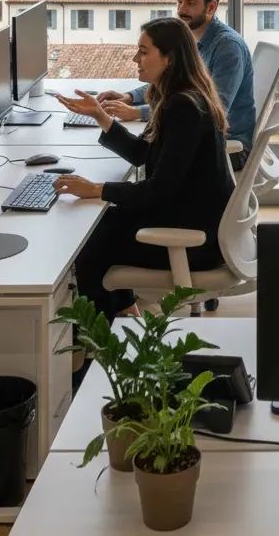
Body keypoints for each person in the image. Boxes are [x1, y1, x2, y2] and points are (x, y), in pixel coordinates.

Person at [53, 17, 234, 319]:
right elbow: (144, 156)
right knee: (103, 227)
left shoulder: (183, 107)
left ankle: (96, 346)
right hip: (193, 220)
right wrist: (101, 117)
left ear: (169, 58)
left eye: (143, 51)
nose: (136, 59)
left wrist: (97, 190)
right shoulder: (180, 97)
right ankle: (126, 316)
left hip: (196, 241)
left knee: (90, 249)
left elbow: (158, 190)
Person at [97, 0, 256, 163]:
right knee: (143, 152)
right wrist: (130, 98)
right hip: (200, 139)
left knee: (148, 157)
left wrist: (139, 113)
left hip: (227, 149)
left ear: (211, 7)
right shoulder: (191, 39)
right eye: (179, 2)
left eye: (190, 3)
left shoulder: (228, 48)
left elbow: (213, 110)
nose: (181, 10)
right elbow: (174, 81)